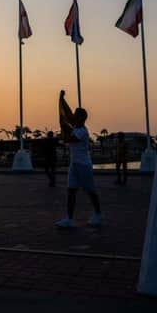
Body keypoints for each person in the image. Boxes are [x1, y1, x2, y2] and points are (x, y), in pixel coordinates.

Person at [55, 90, 102, 228]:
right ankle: (69, 218)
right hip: (74, 165)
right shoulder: (76, 127)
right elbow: (68, 114)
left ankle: (98, 214)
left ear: (81, 118)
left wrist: (64, 125)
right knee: (71, 191)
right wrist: (61, 99)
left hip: (83, 165)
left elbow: (70, 139)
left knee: (90, 190)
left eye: (75, 116)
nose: (73, 117)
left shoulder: (82, 131)